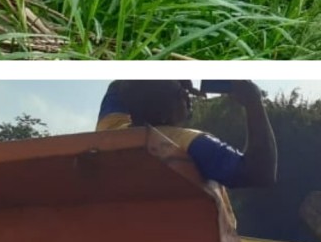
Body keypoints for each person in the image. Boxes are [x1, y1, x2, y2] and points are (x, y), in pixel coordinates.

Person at [96, 81, 277, 215]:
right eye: (181, 93)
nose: (188, 96)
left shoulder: (109, 130)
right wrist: (254, 101)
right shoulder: (189, 143)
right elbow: (260, 172)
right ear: (165, 110)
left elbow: (116, 87)